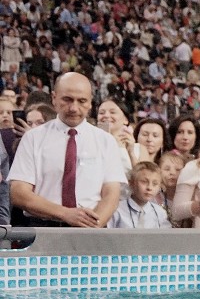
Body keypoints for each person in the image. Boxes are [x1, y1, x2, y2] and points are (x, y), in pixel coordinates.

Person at [8, 72, 127, 227]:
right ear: (54, 98)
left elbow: (111, 194)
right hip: (44, 228)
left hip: (92, 227)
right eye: (67, 99)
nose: (74, 108)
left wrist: (92, 227)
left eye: (82, 101)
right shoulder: (33, 138)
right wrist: (65, 214)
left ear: (91, 102)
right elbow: (19, 193)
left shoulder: (105, 141)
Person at [107, 162, 171, 228]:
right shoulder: (117, 210)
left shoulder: (160, 213)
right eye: (144, 182)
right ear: (131, 183)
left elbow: (166, 236)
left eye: (155, 184)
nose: (149, 187)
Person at [97, 98, 134, 176]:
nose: (106, 115)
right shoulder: (89, 143)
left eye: (112, 112)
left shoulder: (138, 148)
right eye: (101, 113)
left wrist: (131, 153)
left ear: (126, 119)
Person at [157, 151, 186, 226]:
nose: (172, 173)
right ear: (159, 171)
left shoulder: (188, 198)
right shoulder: (154, 198)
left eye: (178, 170)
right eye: (167, 169)